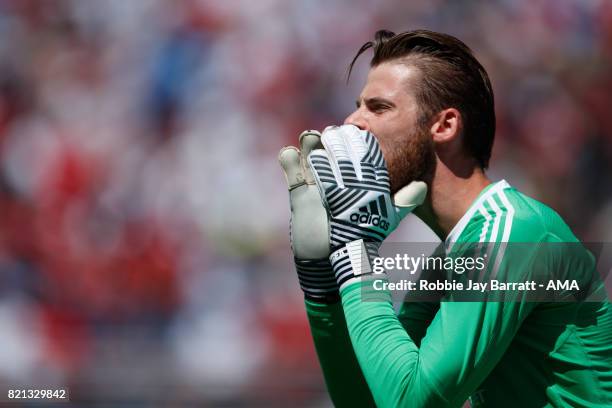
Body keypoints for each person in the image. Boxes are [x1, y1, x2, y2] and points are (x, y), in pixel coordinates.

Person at [279, 29, 612, 407]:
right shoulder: (449, 257)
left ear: (444, 126)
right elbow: (370, 401)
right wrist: (323, 285)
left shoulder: (514, 230)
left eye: (378, 107)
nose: (352, 122)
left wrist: (357, 255)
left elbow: (415, 402)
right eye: (358, 105)